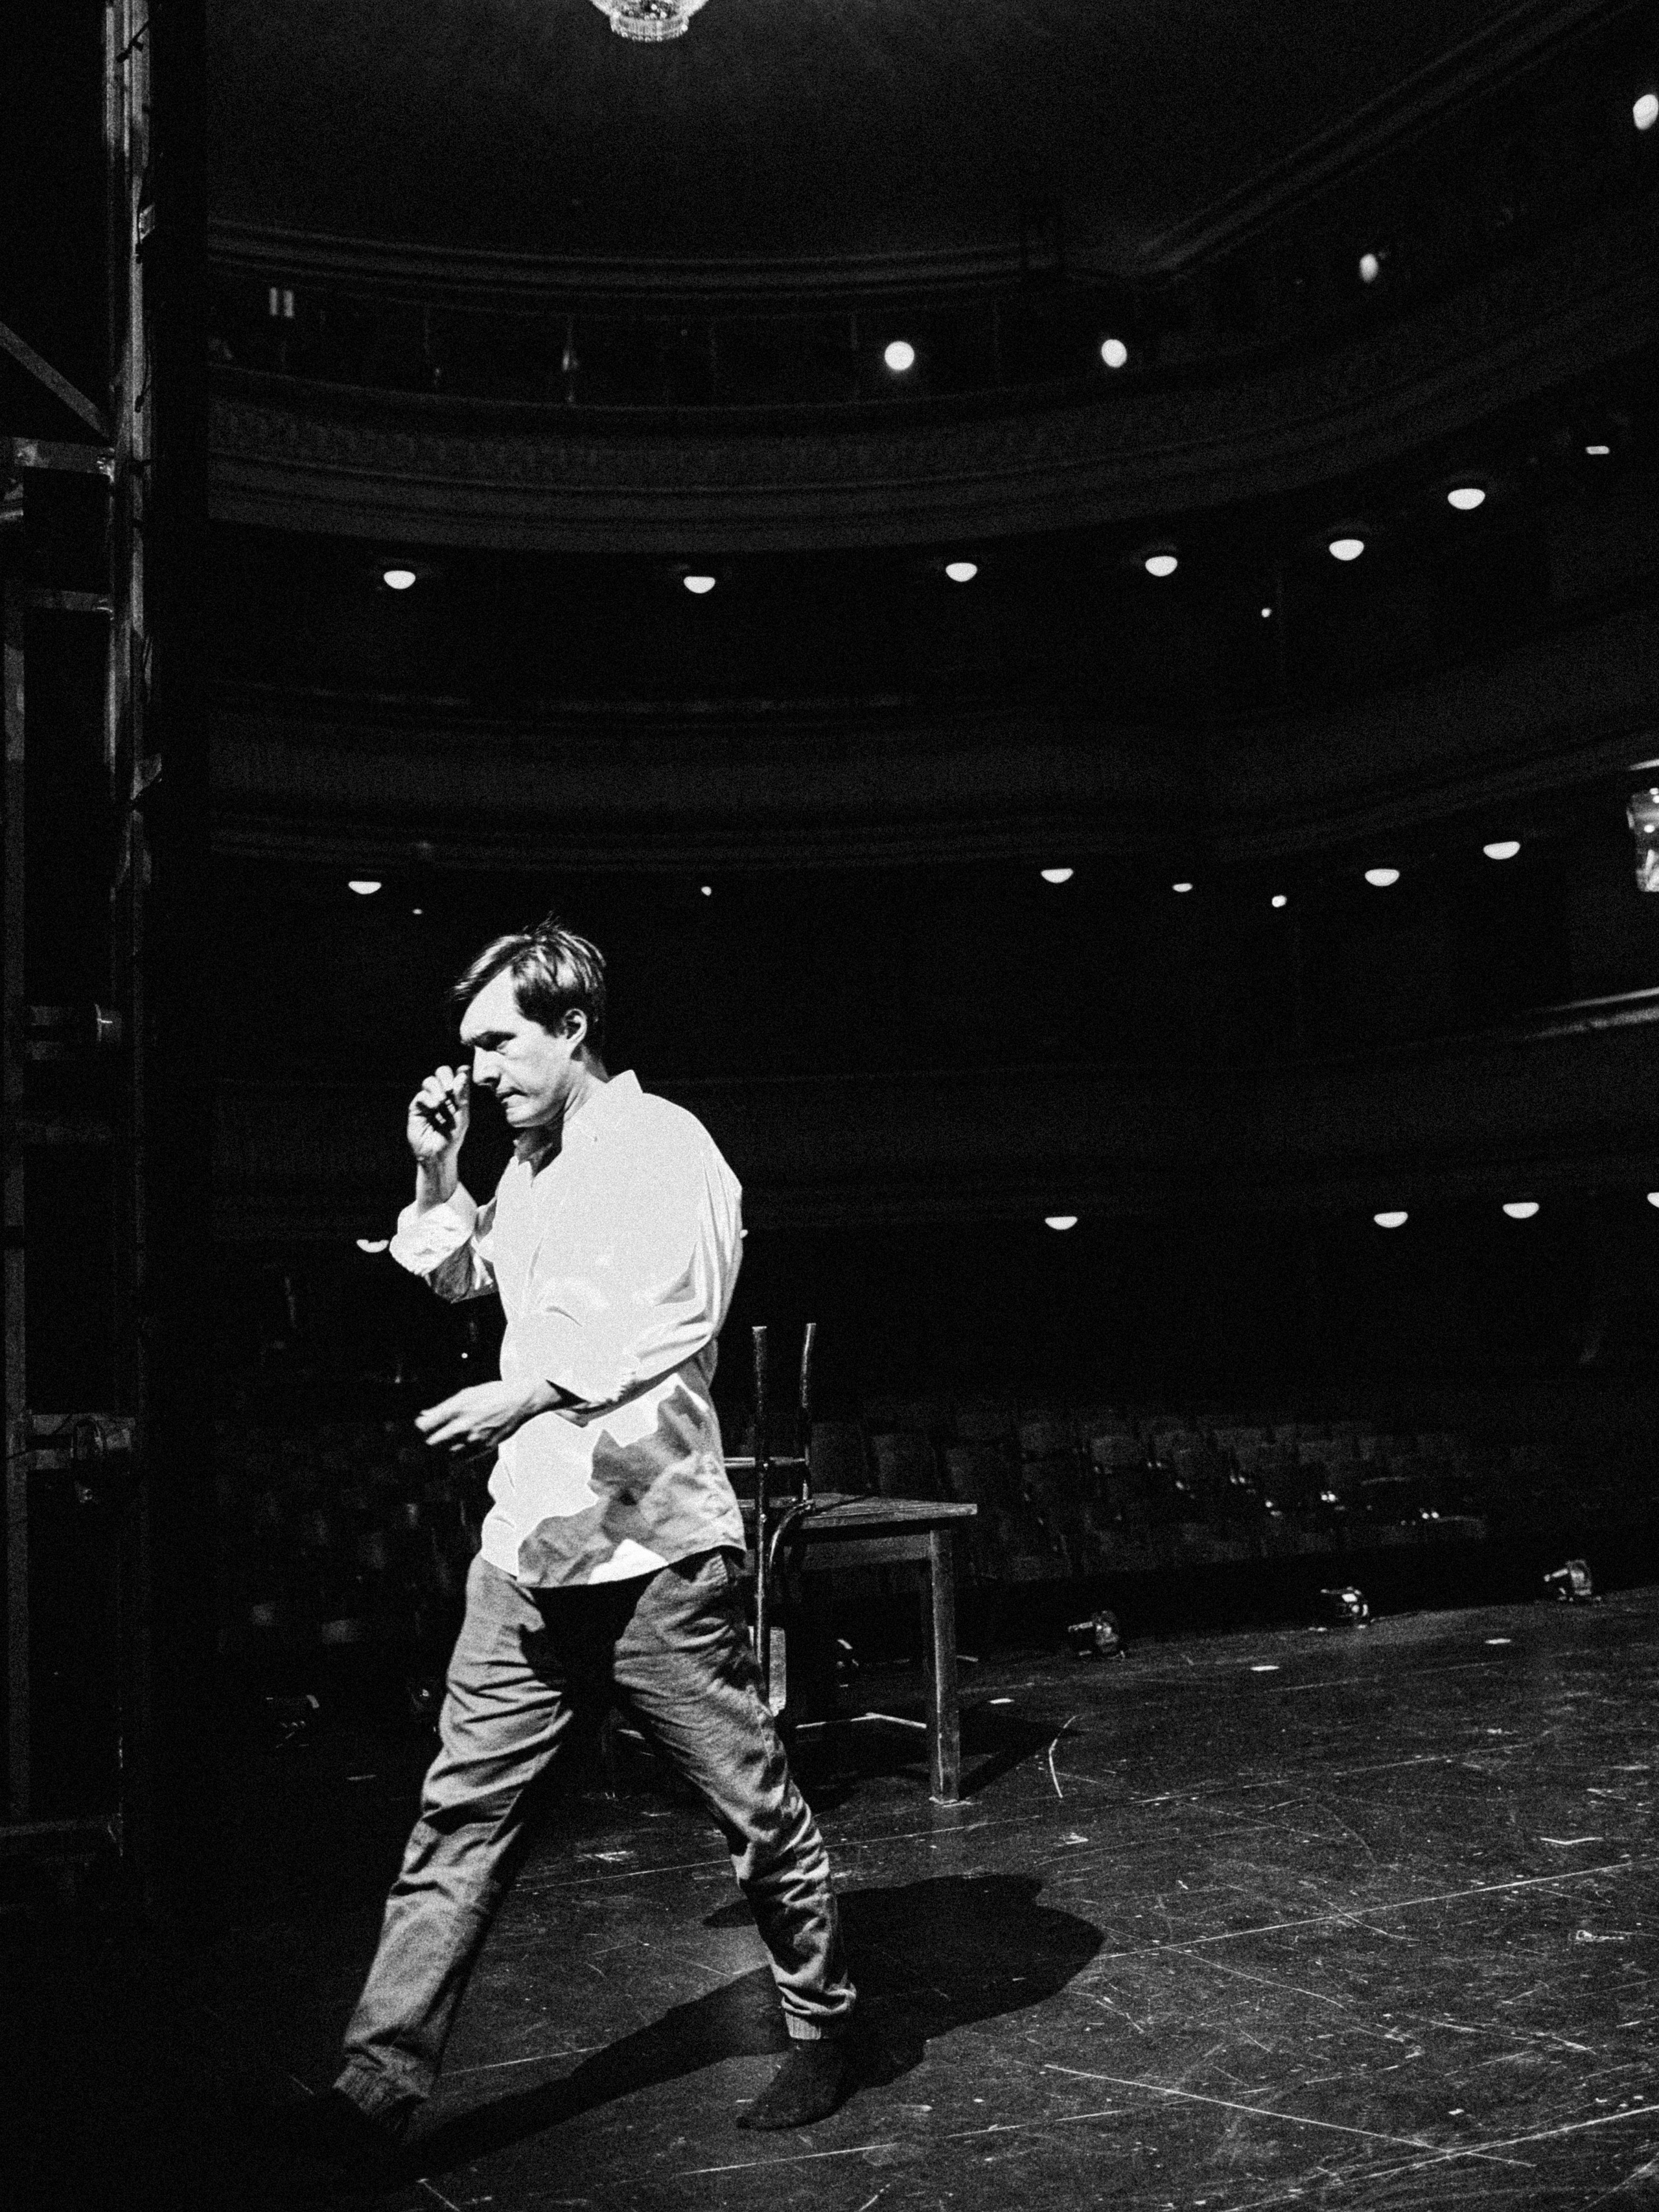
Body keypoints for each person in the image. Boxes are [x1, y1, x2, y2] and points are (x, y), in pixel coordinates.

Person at [307, 916, 861, 2182]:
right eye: (468, 1046)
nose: (478, 1068)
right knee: (457, 1822)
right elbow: (468, 1280)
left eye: (499, 1041)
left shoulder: (665, 1148)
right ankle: (371, 2092)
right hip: (528, 1555)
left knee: (751, 1806)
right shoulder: (527, 1168)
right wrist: (436, 1174)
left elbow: (676, 1314)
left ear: (572, 1028)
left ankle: (829, 2025)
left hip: (653, 1554)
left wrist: (530, 1389)